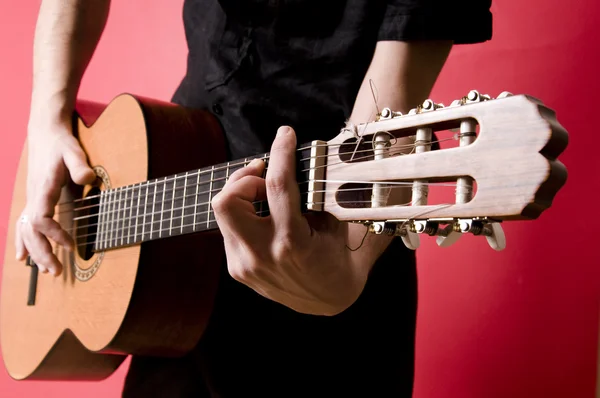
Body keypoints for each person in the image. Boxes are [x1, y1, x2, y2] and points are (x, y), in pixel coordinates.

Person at [16, 0, 492, 396]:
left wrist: (352, 256)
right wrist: (47, 123)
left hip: (326, 232)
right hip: (168, 259)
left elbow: (398, 97)